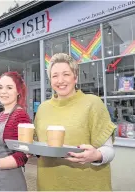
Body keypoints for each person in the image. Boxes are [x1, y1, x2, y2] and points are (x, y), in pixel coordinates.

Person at [34, 53, 116, 191]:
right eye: (55, 76)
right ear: (50, 80)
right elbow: (39, 146)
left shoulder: (92, 103)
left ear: (75, 77)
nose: (60, 80)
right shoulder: (43, 109)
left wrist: (96, 155)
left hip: (87, 186)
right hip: (48, 185)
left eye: (66, 74)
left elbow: (109, 151)